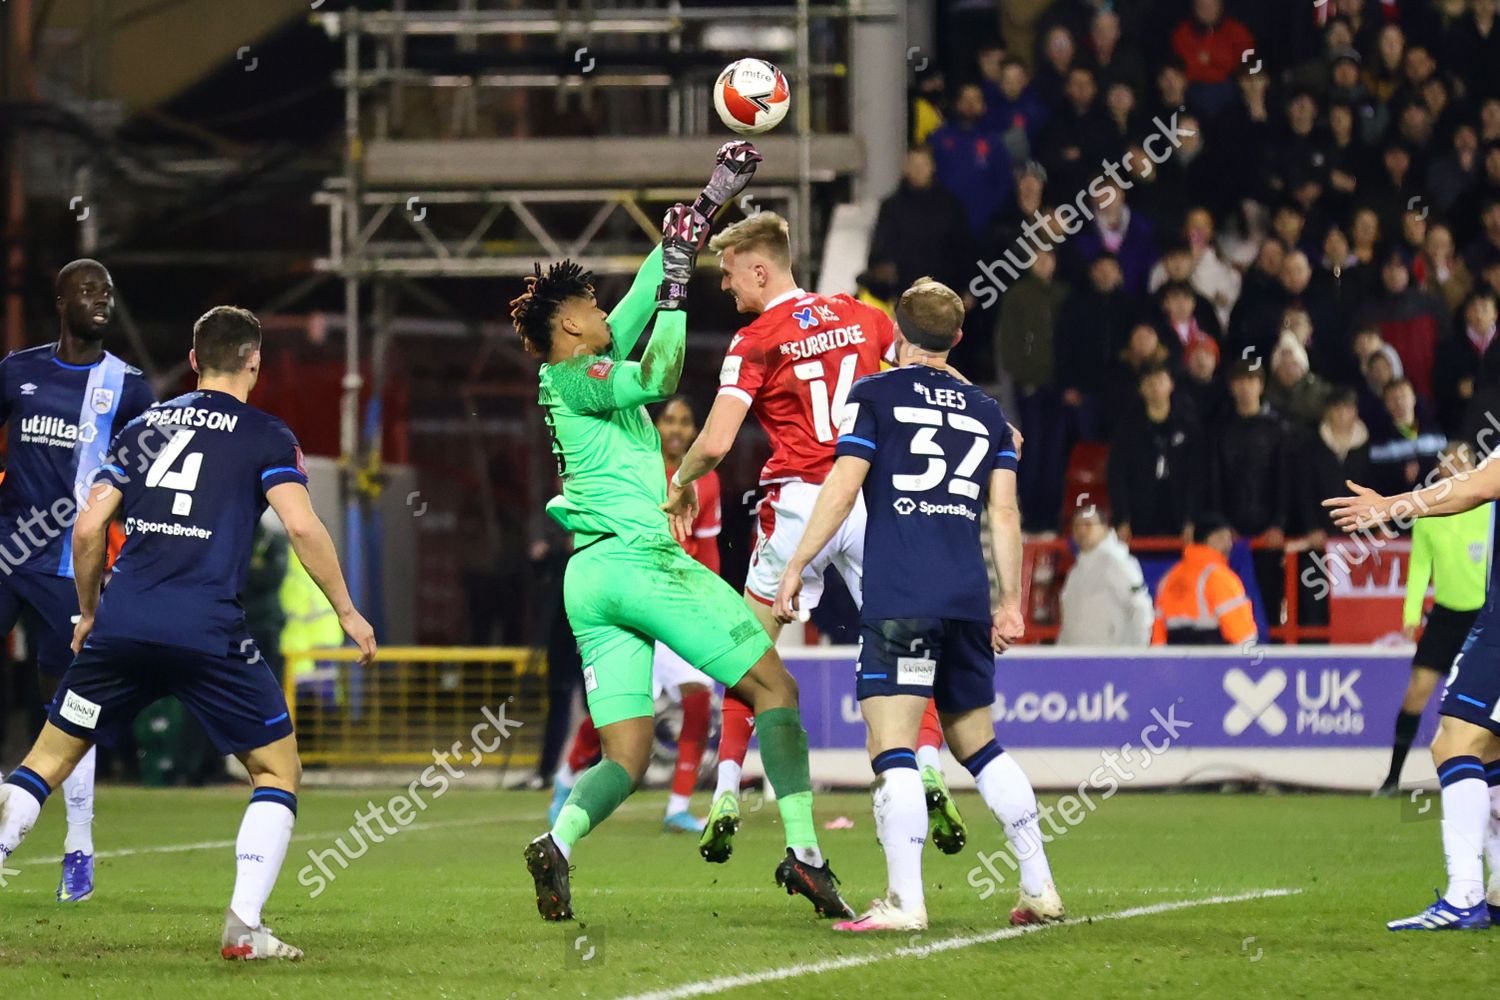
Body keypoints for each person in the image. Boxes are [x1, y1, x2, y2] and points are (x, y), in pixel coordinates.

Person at [512, 144, 853, 922]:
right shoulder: (579, 377)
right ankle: (805, 856)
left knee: (626, 756)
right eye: (593, 309)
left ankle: (558, 844)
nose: (607, 314)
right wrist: (673, 287)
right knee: (775, 686)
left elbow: (641, 293)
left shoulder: (570, 368)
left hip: (589, 579)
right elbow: (661, 375)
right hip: (640, 561)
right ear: (570, 324)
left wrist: (706, 205)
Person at [0, 305, 376, 960]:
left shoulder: (143, 425)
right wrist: (346, 610)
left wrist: (89, 614)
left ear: (195, 360)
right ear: (254, 363)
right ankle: (244, 923)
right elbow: (302, 526)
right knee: (276, 769)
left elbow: (87, 530)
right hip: (208, 632)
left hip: (123, 625)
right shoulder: (266, 435)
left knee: (45, 761)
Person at [771, 277, 1064, 932]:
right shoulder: (989, 413)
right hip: (967, 597)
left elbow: (843, 489)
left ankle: (906, 901)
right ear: (958, 339)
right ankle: (1039, 886)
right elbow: (1007, 513)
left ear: (895, 332)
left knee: (892, 744)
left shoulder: (874, 395)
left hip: (902, 595)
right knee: (978, 742)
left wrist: (798, 565)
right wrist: (1011, 601)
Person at [0, 259, 155, 902]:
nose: (101, 300)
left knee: (68, 705)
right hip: (9, 555)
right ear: (60, 300)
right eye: (88, 291)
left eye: (108, 292)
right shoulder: (17, 371)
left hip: (71, 568)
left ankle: (79, 848)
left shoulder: (131, 388)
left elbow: (140, 482)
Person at [1326, 442, 1500, 930]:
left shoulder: (1477, 483)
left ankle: (1465, 896)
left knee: (1453, 743)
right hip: (1458, 618)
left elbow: (1480, 486)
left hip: (1495, 624)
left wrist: (1388, 505)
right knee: (1484, 747)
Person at [548, 396, 723, 834]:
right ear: (655, 426)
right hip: (636, 603)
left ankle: (677, 806)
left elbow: (708, 547)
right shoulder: (633, 469)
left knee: (699, 702)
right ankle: (566, 779)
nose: (678, 430)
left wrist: (712, 598)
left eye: (686, 421)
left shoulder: (707, 480)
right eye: (669, 420)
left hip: (679, 603)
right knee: (618, 713)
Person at [1376, 442, 1491, 797]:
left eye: (1462, 461)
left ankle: (1485, 782)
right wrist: (1411, 614)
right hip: (1444, 617)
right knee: (1416, 693)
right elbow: (1420, 566)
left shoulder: (1489, 507)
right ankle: (1393, 779)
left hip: (1484, 617)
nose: (1453, 467)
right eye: (1447, 461)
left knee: (1483, 706)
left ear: (1474, 467)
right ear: (1438, 469)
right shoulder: (1429, 513)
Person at [1150, 515, 1258, 646]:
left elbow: (1158, 632)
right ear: (1213, 538)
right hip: (1214, 660)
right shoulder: (1219, 577)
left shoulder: (1168, 579)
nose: (1230, 544)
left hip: (1176, 662)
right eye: (1226, 538)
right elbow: (1242, 634)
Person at [1057, 506, 1153, 647]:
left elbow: (1140, 605)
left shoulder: (1117, 561)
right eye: (1077, 526)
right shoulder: (1075, 572)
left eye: (1088, 525)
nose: (1081, 530)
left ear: (1103, 528)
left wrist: (1137, 651)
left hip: (1110, 657)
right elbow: (1069, 621)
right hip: (1077, 658)